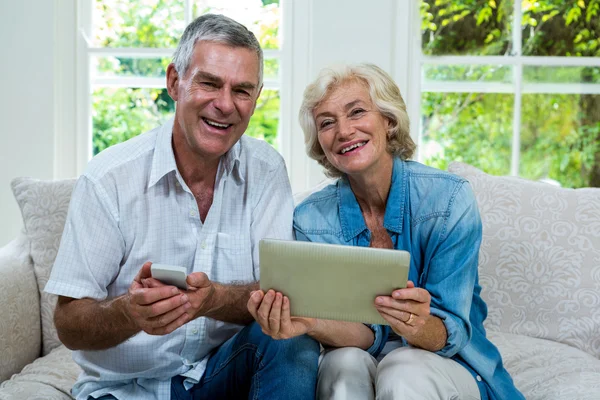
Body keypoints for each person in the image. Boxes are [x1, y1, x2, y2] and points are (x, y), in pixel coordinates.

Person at [45, 14, 320, 400]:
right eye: (209, 83)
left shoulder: (267, 170)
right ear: (175, 82)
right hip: (125, 389)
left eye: (242, 90)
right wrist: (129, 311)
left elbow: (276, 293)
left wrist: (214, 299)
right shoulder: (109, 178)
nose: (225, 104)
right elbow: (68, 324)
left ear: (256, 100)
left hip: (221, 373)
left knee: (294, 343)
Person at [247, 63, 525, 400]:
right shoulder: (311, 218)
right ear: (320, 142)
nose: (344, 131)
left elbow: (449, 334)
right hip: (364, 358)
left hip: (449, 364)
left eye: (357, 112)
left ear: (388, 120)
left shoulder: (449, 199)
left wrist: (418, 324)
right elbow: (365, 335)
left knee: (402, 368)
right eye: (327, 123)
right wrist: (309, 322)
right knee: (342, 364)